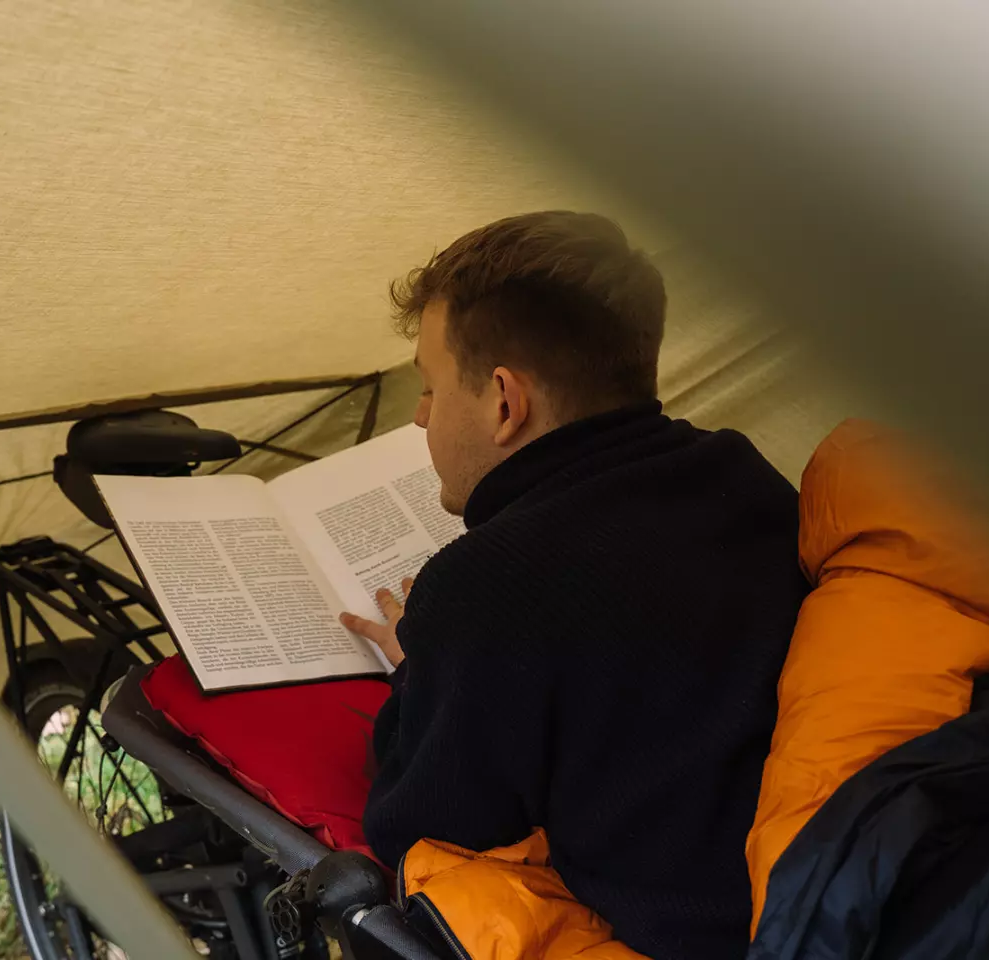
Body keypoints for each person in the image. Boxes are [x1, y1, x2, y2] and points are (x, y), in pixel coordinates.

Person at [338, 212, 806, 960]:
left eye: (429, 388)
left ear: (503, 401)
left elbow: (420, 829)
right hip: (841, 896)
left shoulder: (489, 583)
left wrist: (420, 672)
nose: (422, 417)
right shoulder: (741, 475)